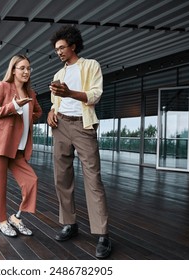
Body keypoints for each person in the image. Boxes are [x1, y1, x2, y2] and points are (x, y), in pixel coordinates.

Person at [47, 25, 112, 258]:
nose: (59, 52)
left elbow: (95, 95)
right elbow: (56, 101)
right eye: (56, 49)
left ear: (73, 45)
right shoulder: (58, 74)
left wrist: (69, 93)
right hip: (61, 126)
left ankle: (103, 234)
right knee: (61, 178)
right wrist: (51, 111)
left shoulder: (90, 65)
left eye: (62, 47)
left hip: (83, 126)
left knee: (93, 179)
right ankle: (69, 223)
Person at [0, 54, 42, 237]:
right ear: (13, 70)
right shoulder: (3, 86)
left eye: (28, 68)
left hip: (18, 149)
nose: (26, 71)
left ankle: (16, 217)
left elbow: (38, 112)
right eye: (22, 68)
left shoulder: (31, 93)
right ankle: (2, 221)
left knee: (31, 181)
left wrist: (27, 117)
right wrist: (14, 106)